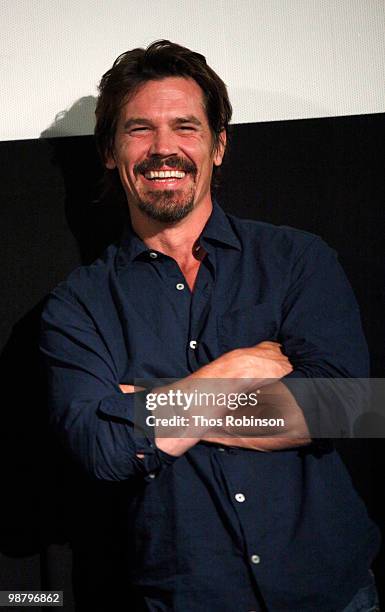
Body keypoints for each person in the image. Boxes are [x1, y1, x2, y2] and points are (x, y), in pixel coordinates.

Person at [40, 40, 381, 611]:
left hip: (334, 594)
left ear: (219, 145)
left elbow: (341, 407)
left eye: (186, 127)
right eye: (140, 129)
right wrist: (236, 368)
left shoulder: (296, 259)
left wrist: (146, 404)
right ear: (109, 151)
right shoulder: (77, 306)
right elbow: (102, 446)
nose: (164, 148)